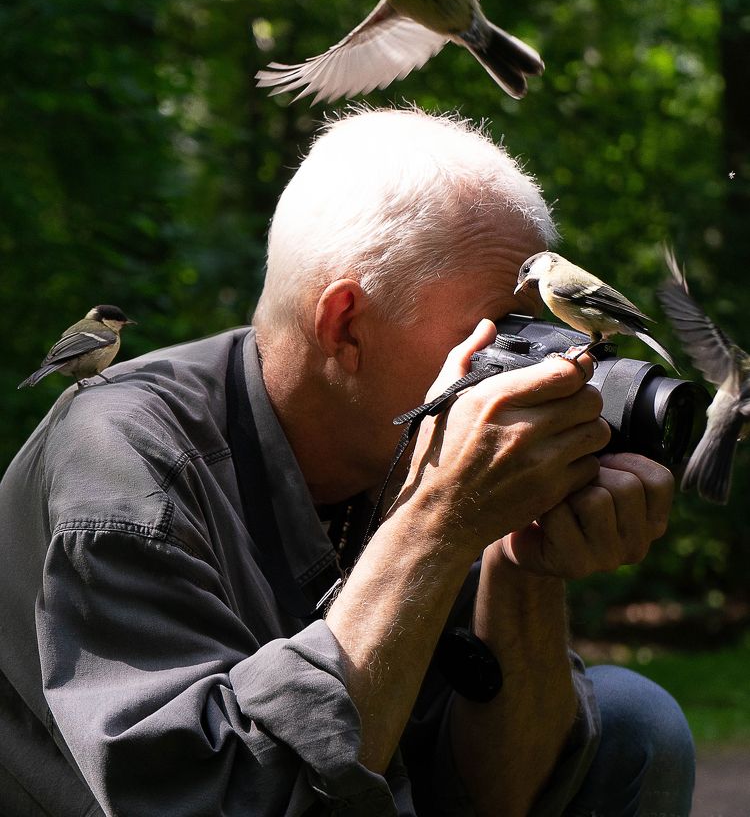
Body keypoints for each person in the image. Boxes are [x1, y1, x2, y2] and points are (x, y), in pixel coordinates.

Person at [0, 107, 694, 816]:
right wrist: (436, 523)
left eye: (534, 332)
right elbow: (219, 800)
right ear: (344, 327)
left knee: (632, 725)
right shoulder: (123, 465)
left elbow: (502, 796)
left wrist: (519, 562)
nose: (533, 370)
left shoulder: (406, 444)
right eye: (493, 335)